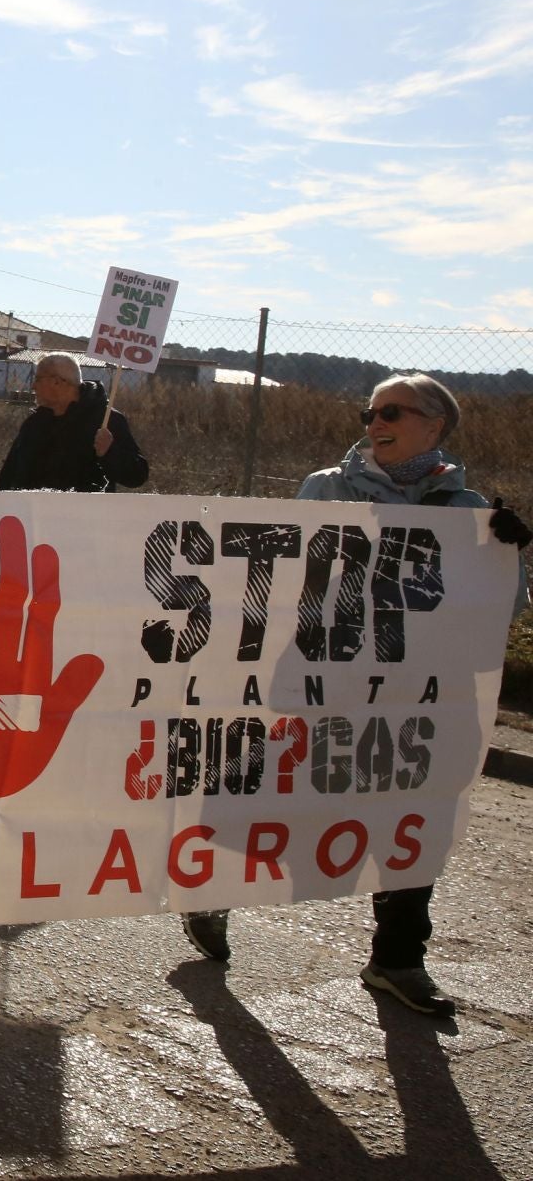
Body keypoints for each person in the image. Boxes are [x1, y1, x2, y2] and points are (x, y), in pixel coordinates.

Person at [178, 373, 531, 1017]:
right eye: (369, 410)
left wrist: (504, 554)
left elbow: (500, 610)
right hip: (316, 678)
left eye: (392, 411)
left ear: (435, 425)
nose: (374, 421)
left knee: (413, 812)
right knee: (262, 786)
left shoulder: (465, 509)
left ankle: (397, 959)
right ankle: (212, 888)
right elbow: (279, 574)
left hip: (407, 693)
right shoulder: (326, 488)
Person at [0, 353, 147, 492]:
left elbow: (137, 475)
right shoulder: (34, 423)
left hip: (84, 518)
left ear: (57, 382)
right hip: (34, 517)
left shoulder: (106, 420)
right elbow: (9, 474)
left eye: (38, 379)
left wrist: (110, 452)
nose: (33, 386)